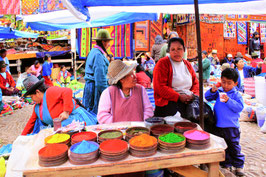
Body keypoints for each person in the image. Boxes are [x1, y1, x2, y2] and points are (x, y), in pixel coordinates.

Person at [21, 75, 97, 135]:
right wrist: (21, 137)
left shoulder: (50, 92)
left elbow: (67, 91)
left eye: (31, 97)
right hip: (64, 128)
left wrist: (66, 111)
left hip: (77, 121)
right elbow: (31, 123)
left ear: (37, 92)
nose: (32, 100)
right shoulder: (37, 108)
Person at [205, 68, 245, 176]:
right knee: (223, 147)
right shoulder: (219, 92)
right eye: (223, 82)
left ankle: (239, 165)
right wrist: (213, 90)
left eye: (229, 83)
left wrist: (228, 101)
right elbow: (207, 97)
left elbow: (239, 107)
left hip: (232, 127)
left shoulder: (236, 95)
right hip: (219, 126)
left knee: (234, 147)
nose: (225, 85)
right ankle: (226, 163)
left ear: (235, 83)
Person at [153, 37, 199, 117]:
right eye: (173, 49)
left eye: (179, 49)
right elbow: (160, 87)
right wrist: (179, 97)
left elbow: (196, 83)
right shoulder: (163, 63)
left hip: (187, 103)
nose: (176, 52)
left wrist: (193, 95)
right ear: (169, 51)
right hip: (168, 105)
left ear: (184, 50)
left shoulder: (187, 64)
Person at [83, 29, 113, 114]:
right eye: (108, 42)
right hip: (94, 88)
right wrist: (107, 94)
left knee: (89, 111)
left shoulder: (94, 51)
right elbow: (100, 80)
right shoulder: (98, 55)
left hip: (90, 86)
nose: (109, 45)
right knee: (96, 113)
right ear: (103, 42)